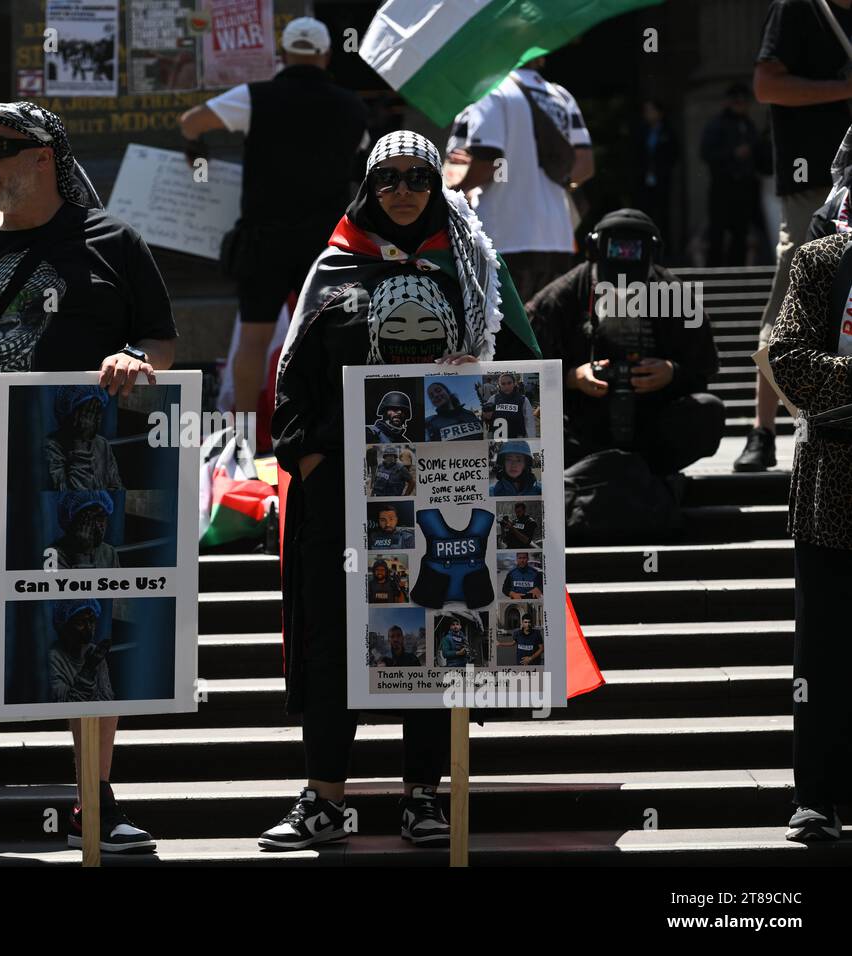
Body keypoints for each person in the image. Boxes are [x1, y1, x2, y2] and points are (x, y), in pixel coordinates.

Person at [0, 102, 176, 862]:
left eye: (3, 148)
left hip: (91, 485)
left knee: (94, 638)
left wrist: (138, 362)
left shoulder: (115, 241)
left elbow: (161, 342)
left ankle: (96, 803)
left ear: (46, 157)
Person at [266, 129, 540, 851]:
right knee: (333, 639)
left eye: (418, 177)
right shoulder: (334, 268)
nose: (403, 192)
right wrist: (316, 462)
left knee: (432, 630)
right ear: (367, 189)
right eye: (386, 179)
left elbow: (521, 370)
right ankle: (324, 798)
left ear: (436, 185)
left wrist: (473, 376)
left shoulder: (475, 268)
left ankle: (424, 795)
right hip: (338, 496)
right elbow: (292, 386)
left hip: (446, 488)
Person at [178, 17, 369, 415]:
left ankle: (246, 439)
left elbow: (191, 121)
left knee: (253, 337)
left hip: (264, 239)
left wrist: (195, 149)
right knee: (329, 336)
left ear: (282, 55)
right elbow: (362, 157)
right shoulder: (352, 106)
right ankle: (326, 429)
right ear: (326, 55)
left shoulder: (255, 97)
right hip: (327, 243)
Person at [736, 0, 852, 472]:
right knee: (791, 297)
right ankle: (762, 430)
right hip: (811, 184)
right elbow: (766, 85)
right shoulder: (795, 9)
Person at [766, 228, 852, 842]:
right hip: (834, 483)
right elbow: (788, 359)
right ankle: (816, 797)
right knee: (822, 650)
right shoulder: (822, 260)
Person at [528, 208, 724, 474]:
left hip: (652, 423)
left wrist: (672, 372)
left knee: (708, 412)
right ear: (594, 251)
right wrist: (571, 377)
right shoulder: (562, 296)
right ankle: (592, 470)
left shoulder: (673, 294)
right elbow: (525, 369)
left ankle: (643, 471)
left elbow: (703, 365)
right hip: (582, 425)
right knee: (533, 420)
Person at [446, 56, 595, 302]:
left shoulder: (491, 91)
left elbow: (489, 162)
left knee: (504, 334)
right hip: (558, 238)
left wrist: (452, 190)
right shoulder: (561, 96)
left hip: (505, 237)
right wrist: (549, 186)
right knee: (548, 334)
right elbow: (586, 165)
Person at [699, 83, 766, 267]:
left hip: (744, 186)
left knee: (741, 231)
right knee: (717, 230)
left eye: (744, 102)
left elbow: (759, 153)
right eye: (737, 102)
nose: (740, 105)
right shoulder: (716, 125)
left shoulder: (748, 125)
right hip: (722, 185)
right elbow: (706, 153)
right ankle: (714, 271)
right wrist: (733, 154)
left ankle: (737, 268)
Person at [45, 384, 123, 490]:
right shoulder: (52, 446)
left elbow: (116, 486)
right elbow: (64, 489)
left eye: (99, 413)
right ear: (73, 414)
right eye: (90, 412)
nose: (96, 420)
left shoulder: (102, 445)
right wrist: (79, 443)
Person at [48, 600, 113, 703]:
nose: (89, 628)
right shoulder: (52, 659)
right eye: (80, 622)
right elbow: (68, 705)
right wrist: (88, 669)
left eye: (92, 620)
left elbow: (107, 698)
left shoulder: (95, 652)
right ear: (64, 626)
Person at [635, 99, 677, 256]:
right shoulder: (642, 131)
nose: (648, 114)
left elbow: (674, 154)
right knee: (646, 214)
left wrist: (663, 169)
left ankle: (665, 250)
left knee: (663, 214)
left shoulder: (667, 131)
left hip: (661, 179)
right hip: (644, 180)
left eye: (651, 110)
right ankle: (646, 250)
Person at [51, 491, 118, 569]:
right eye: (89, 519)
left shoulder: (109, 552)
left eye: (101, 517)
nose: (97, 525)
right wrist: (82, 551)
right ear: (71, 521)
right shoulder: (54, 556)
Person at [482, 372, 537, 438]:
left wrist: (531, 439)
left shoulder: (523, 400)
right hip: (499, 441)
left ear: (514, 384)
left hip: (517, 440)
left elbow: (529, 421)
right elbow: (486, 419)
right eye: (503, 384)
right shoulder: (493, 399)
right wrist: (486, 416)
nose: (506, 386)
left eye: (509, 383)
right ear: (499, 385)